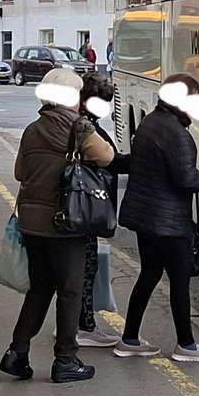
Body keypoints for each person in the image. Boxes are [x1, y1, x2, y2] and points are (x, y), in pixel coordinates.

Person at [1, 68, 114, 384]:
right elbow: (107, 156)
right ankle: (66, 359)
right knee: (70, 290)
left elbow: (20, 172)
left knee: (40, 289)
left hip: (32, 223)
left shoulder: (32, 129)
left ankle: (17, 353)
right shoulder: (79, 127)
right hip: (67, 221)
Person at [114, 74, 199, 363]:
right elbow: (186, 179)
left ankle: (129, 339)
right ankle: (186, 345)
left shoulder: (150, 121)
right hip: (169, 222)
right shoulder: (177, 134)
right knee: (179, 280)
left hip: (146, 217)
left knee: (148, 275)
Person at [75, 73, 128, 349]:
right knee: (86, 267)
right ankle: (84, 327)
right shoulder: (86, 128)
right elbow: (112, 161)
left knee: (74, 270)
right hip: (84, 207)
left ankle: (73, 323)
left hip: (73, 207)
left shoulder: (72, 121)